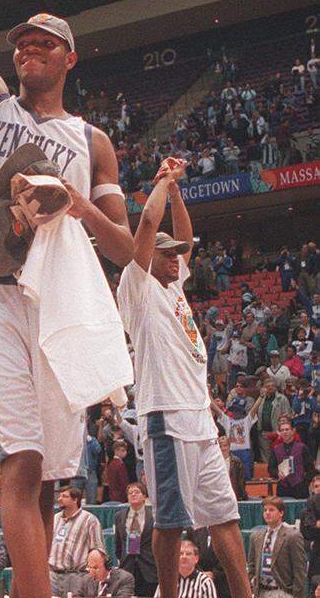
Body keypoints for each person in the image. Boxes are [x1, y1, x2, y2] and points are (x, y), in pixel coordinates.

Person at [0, 0, 136, 595]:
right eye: (22, 43)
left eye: (44, 43)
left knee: (47, 478)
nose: (29, 50)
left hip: (58, 301)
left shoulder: (92, 142)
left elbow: (125, 248)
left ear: (70, 58)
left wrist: (76, 202)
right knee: (20, 462)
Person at [115, 160, 250, 598]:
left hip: (200, 419)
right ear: (148, 257)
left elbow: (186, 240)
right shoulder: (137, 286)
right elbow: (147, 224)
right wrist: (162, 182)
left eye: (176, 254)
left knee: (225, 516)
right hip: (167, 417)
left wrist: (176, 193)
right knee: (171, 522)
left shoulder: (174, 287)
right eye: (166, 253)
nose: (176, 258)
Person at [247, 497, 308, 598]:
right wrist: (253, 581)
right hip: (261, 591)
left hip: (282, 591)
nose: (267, 513)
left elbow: (299, 569)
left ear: (281, 513)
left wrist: (296, 595)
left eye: (271, 510)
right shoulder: (256, 536)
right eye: (265, 510)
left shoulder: (292, 536)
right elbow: (252, 564)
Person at [48, 487, 104, 595]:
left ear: (75, 500)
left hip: (77, 576)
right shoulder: (55, 518)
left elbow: (97, 550)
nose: (59, 499)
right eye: (59, 496)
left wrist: (92, 574)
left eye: (64, 496)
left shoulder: (89, 520)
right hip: (53, 575)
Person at [114, 482, 157, 597]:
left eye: (136, 492)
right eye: (130, 493)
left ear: (144, 496)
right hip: (127, 567)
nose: (133, 494)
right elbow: (118, 545)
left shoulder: (154, 516)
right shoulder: (119, 516)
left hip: (149, 568)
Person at [270, 420, 313, 499]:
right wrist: (277, 473)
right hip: (282, 488)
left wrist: (304, 482)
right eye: (282, 430)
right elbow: (271, 468)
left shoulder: (302, 447)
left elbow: (311, 469)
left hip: (300, 487)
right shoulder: (275, 449)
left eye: (287, 429)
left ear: (293, 431)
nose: (284, 432)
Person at [297, 475, 320, 587]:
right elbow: (302, 538)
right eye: (316, 486)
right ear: (312, 489)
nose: (319, 489)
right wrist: (311, 544)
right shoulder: (305, 513)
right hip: (316, 558)